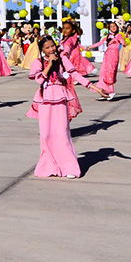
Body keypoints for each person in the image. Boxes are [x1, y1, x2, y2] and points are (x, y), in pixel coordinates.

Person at [26, 37, 104, 178]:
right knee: (46, 135)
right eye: (47, 48)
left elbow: (75, 75)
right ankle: (50, 167)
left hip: (60, 98)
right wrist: (50, 64)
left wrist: (95, 88)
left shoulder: (62, 59)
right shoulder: (38, 62)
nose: (51, 49)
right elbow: (39, 79)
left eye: (52, 46)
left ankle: (69, 168)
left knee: (62, 133)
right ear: (42, 50)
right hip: (45, 100)